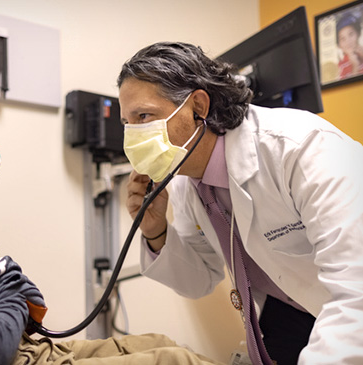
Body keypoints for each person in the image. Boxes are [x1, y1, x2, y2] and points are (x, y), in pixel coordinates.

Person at [0, 66, 222, 365]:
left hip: (29, 351)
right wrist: (13, 288)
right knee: (177, 362)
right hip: (15, 360)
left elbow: (1, 289)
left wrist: (6, 282)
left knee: (160, 342)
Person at [118, 41, 363, 365]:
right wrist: (155, 232)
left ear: (198, 107)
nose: (133, 134)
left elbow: (356, 292)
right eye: (126, 123)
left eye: (144, 116)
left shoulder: (302, 149)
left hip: (345, 307)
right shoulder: (185, 180)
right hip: (287, 307)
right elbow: (199, 281)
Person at [336, 12, 363, 79]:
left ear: (358, 33)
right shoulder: (341, 67)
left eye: (351, 34)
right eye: (343, 39)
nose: (348, 41)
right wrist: (355, 66)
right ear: (339, 45)